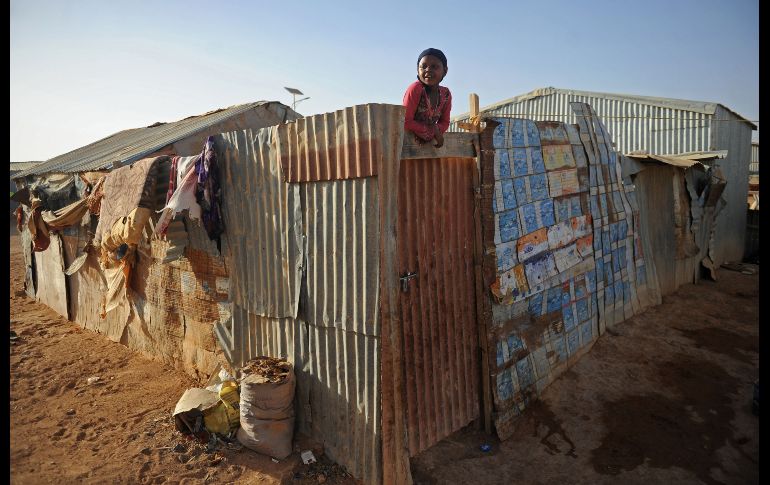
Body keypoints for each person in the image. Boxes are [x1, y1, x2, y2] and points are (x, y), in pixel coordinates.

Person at [403, 48, 452, 148]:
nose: (428, 70)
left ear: (445, 71)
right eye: (423, 67)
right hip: (408, 147)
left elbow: (445, 122)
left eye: (434, 66)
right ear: (418, 70)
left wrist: (437, 130)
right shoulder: (415, 89)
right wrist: (433, 130)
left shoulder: (446, 94)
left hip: (429, 149)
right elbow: (405, 121)